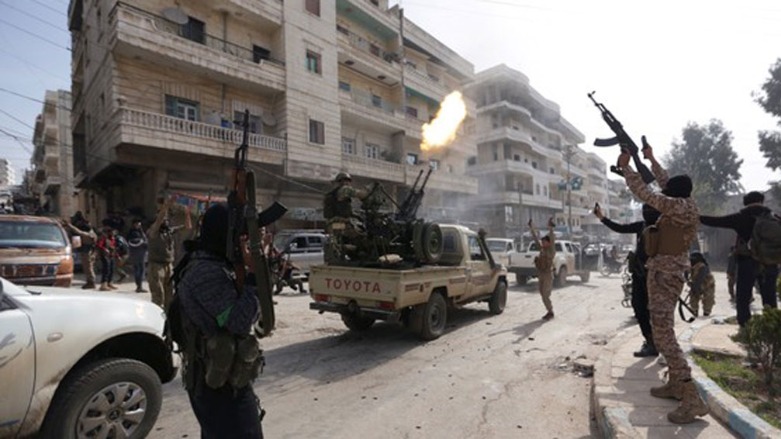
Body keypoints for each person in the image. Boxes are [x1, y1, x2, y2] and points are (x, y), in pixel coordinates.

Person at [617, 143, 708, 424]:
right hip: (664, 273)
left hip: (665, 276)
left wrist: (626, 168)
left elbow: (646, 193)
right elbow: (666, 182)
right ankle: (675, 385)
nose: (667, 190)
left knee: (665, 336)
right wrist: (652, 159)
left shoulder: (679, 206)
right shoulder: (684, 201)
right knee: (661, 333)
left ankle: (692, 398)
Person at [173, 203, 264, 438]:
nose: (241, 242)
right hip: (219, 387)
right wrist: (253, 276)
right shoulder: (207, 273)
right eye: (238, 236)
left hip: (221, 379)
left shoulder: (213, 264)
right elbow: (239, 322)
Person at [700, 191, 779, 327]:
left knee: (743, 297)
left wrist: (697, 217)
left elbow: (716, 221)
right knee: (770, 297)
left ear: (746, 203)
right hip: (769, 262)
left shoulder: (740, 218)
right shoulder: (774, 218)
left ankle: (745, 328)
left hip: (747, 261)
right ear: (762, 201)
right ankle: (772, 329)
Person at [593, 202, 661, 357]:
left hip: (657, 275)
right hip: (640, 274)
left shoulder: (663, 226)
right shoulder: (641, 226)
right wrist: (602, 218)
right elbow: (620, 228)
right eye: (646, 209)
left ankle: (659, 342)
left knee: (658, 311)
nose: (647, 212)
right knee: (639, 307)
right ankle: (651, 342)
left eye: (651, 209)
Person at [148, 196, 190, 310]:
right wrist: (165, 207)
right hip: (156, 266)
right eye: (164, 218)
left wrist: (187, 212)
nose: (165, 220)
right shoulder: (153, 231)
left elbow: (187, 227)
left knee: (170, 296)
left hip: (168, 265)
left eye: (167, 219)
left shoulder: (169, 231)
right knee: (158, 296)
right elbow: (159, 221)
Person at [323, 172, 370, 263]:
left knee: (338, 242)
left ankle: (340, 254)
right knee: (362, 238)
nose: (348, 183)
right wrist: (369, 192)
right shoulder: (344, 190)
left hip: (331, 224)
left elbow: (342, 209)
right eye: (347, 181)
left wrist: (357, 216)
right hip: (341, 223)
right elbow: (361, 194)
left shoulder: (331, 194)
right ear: (343, 182)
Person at [528, 217, 556, 321]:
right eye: (542, 242)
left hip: (548, 274)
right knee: (541, 293)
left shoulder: (551, 250)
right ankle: (549, 310)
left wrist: (550, 228)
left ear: (548, 243)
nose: (543, 244)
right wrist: (531, 228)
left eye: (545, 242)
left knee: (545, 295)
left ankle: (550, 311)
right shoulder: (542, 250)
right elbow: (535, 239)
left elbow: (552, 238)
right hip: (541, 273)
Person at [64, 213, 98, 289]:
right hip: (87, 251)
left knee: (88, 268)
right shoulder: (91, 232)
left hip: (88, 252)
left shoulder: (89, 234)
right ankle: (90, 282)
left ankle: (91, 282)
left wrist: (70, 226)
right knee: (88, 267)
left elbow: (79, 232)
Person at [687, 252, 715, 317]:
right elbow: (686, 273)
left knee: (708, 298)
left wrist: (695, 288)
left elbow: (700, 278)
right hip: (696, 283)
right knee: (693, 298)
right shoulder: (691, 265)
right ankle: (694, 311)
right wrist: (688, 281)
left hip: (708, 284)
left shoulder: (703, 267)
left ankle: (706, 312)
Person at [127, 218, 149, 293]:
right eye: (137, 224)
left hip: (138, 253)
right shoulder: (134, 233)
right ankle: (139, 286)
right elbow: (140, 242)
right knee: (140, 269)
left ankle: (139, 286)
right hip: (138, 253)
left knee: (139, 269)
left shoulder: (138, 231)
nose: (139, 225)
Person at [95, 223, 118, 291]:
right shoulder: (103, 237)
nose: (113, 233)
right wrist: (105, 249)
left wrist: (116, 254)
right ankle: (103, 284)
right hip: (105, 255)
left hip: (111, 255)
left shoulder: (112, 238)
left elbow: (113, 246)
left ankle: (109, 283)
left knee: (111, 269)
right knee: (106, 269)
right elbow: (99, 245)